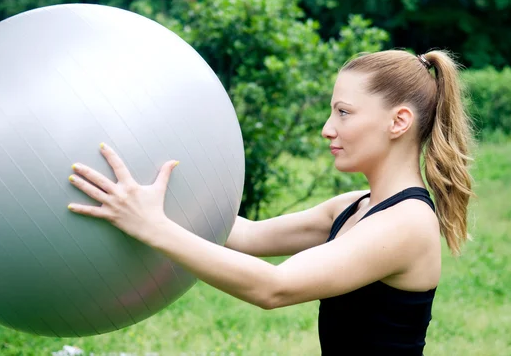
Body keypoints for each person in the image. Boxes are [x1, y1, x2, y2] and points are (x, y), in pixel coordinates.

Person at [66, 49, 474, 355]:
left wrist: (154, 227)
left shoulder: (407, 224)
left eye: (344, 112)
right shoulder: (355, 206)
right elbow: (244, 234)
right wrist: (152, 190)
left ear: (398, 122)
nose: (326, 129)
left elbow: (273, 287)